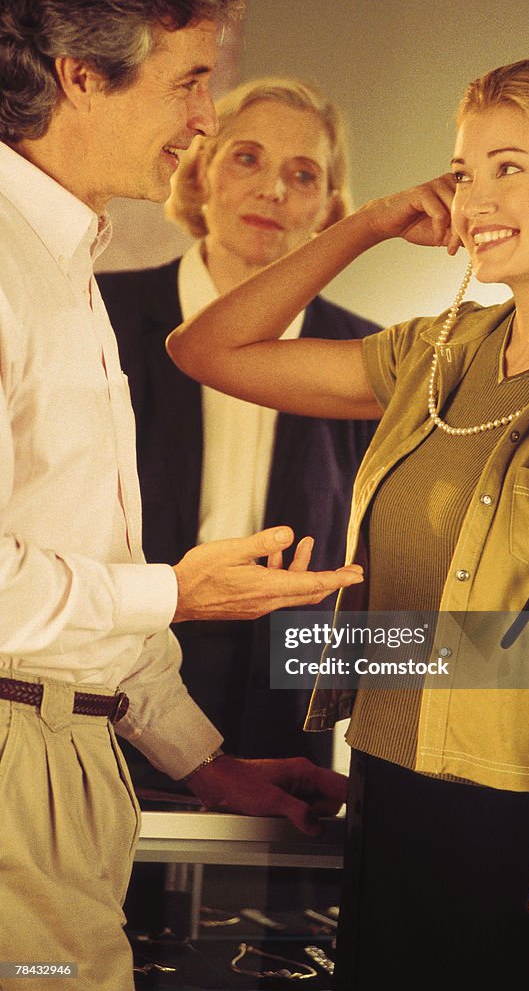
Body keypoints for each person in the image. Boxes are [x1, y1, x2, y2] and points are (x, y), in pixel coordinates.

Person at [168, 54, 529, 989]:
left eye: (508, 165)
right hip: (387, 791)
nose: (472, 195)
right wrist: (362, 224)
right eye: (464, 168)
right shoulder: (435, 354)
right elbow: (205, 348)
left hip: (514, 815)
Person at [0, 0, 364, 988]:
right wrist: (179, 590)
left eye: (304, 173)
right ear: (81, 76)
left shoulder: (58, 259)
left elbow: (81, 551)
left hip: (100, 737)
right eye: (190, 84)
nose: (200, 122)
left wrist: (205, 759)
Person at [98, 78, 379, 776]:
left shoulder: (370, 361)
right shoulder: (101, 312)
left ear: (330, 210)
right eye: (247, 159)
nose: (274, 191)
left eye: (302, 174)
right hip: (112, 675)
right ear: (200, 175)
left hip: (288, 697)